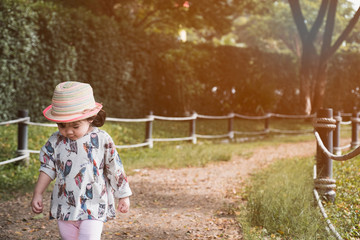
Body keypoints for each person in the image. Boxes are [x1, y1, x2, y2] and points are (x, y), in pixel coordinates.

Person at [31, 81, 132, 240]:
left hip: (94, 204)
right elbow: (47, 168)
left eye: (75, 126)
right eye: (62, 125)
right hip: (65, 206)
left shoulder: (101, 139)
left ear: (90, 118)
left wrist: (123, 195)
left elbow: (114, 168)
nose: (68, 131)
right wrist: (38, 193)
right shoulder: (55, 141)